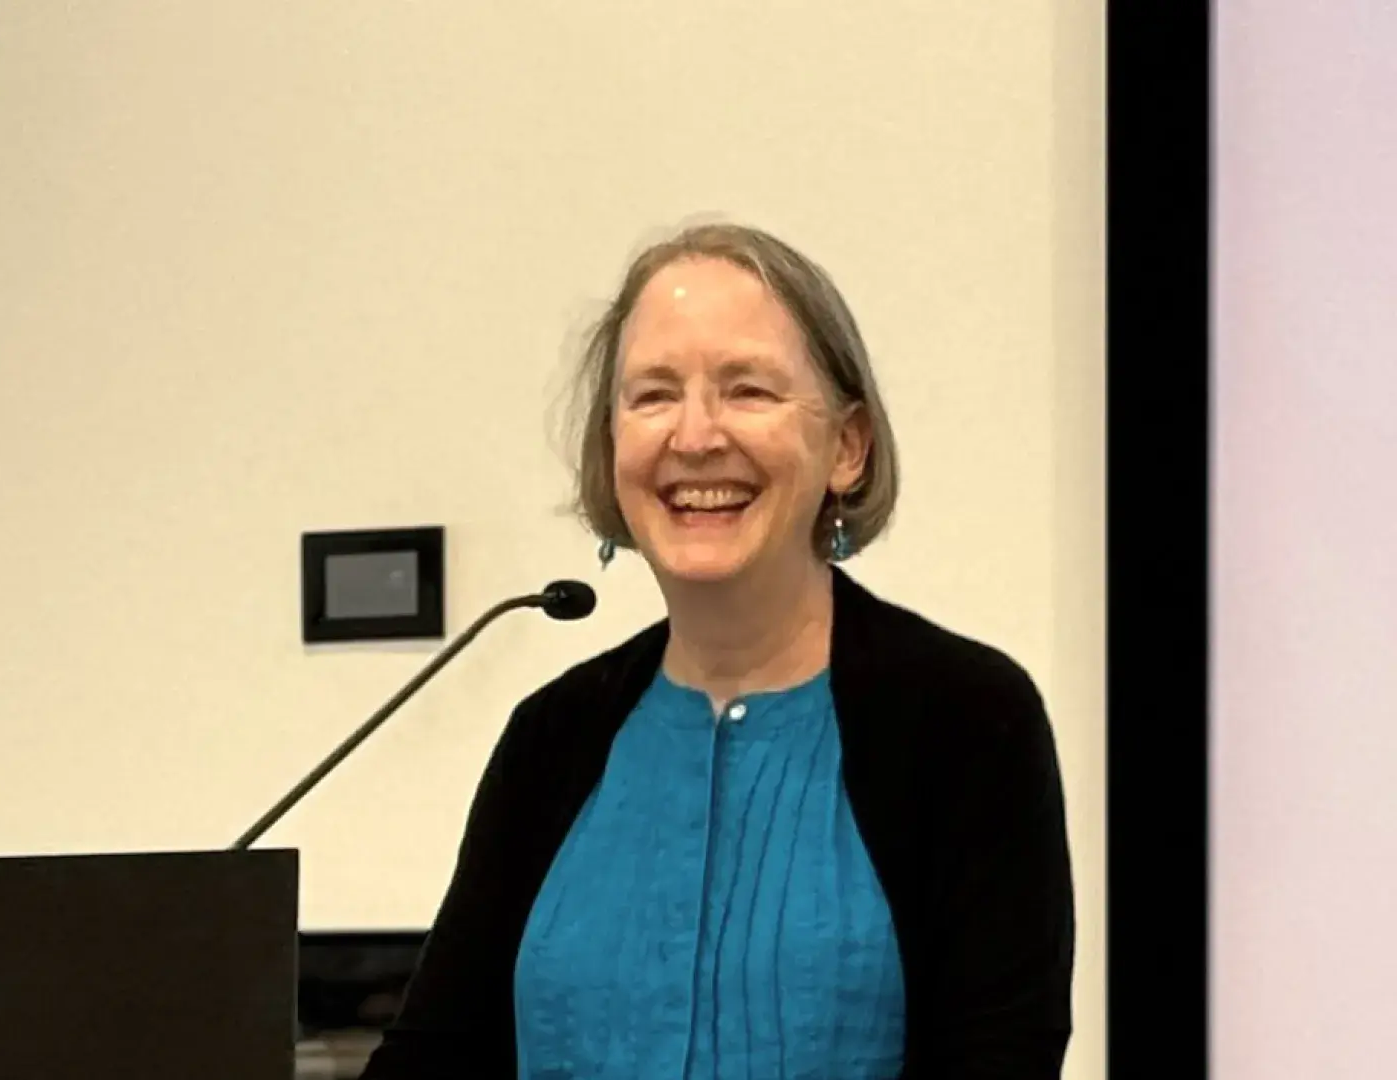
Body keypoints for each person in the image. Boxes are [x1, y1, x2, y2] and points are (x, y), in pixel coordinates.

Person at [359, 222, 1075, 1080]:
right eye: (654, 396)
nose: (695, 437)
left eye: (747, 391)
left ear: (847, 446)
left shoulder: (967, 718)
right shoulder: (552, 738)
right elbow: (435, 1057)